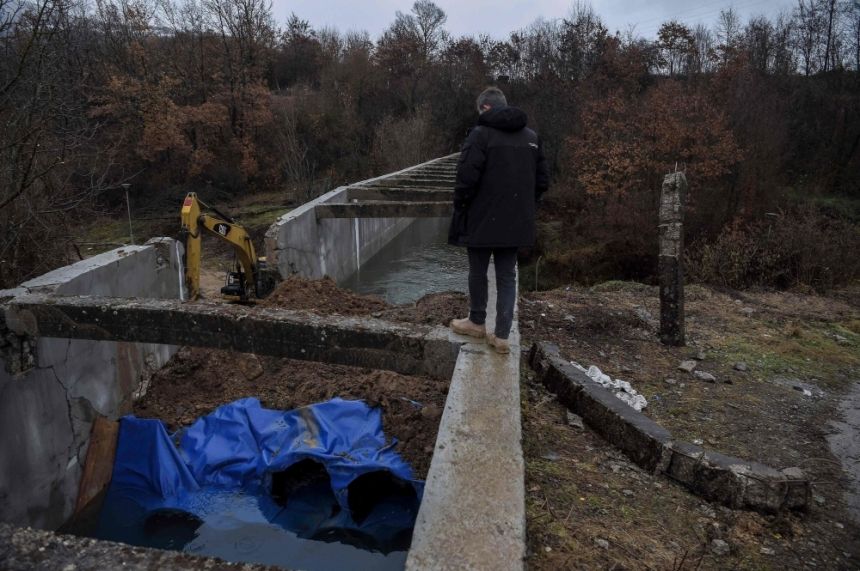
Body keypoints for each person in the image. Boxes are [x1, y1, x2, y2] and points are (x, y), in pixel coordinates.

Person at [448, 86, 549, 354]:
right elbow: (542, 182)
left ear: (485, 108)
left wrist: (462, 206)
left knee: (477, 271)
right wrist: (524, 206)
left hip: (482, 218)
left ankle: (477, 321)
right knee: (506, 275)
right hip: (516, 221)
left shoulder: (480, 135)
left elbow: (466, 178)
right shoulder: (532, 137)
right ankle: (502, 336)